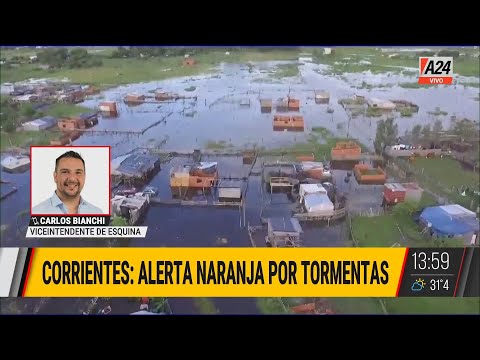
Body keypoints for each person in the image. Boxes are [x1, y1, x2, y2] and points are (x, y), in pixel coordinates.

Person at [32, 150, 104, 214]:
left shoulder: (97, 213)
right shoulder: (36, 213)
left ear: (84, 177)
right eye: (65, 172)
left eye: (78, 172)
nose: (72, 178)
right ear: (55, 176)